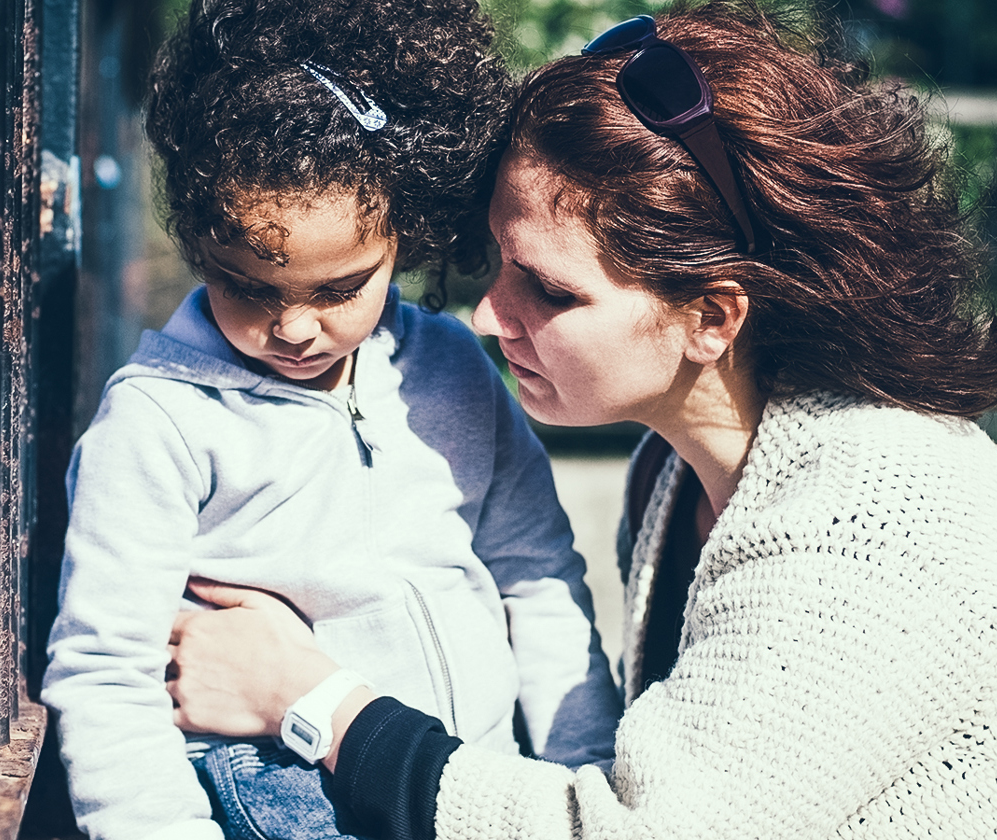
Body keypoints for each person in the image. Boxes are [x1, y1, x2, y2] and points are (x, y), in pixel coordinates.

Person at [164, 1, 997, 837]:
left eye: (552, 292)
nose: (488, 314)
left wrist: (310, 697)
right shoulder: (679, 468)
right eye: (499, 263)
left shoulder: (862, 529)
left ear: (712, 319)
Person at [40, 1, 624, 838]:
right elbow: (105, 674)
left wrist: (583, 777)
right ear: (203, 244)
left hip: (469, 786)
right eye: (247, 285)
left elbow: (538, 580)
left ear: (407, 234)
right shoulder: (156, 422)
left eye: (340, 288)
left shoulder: (454, 369)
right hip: (287, 803)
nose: (294, 328)